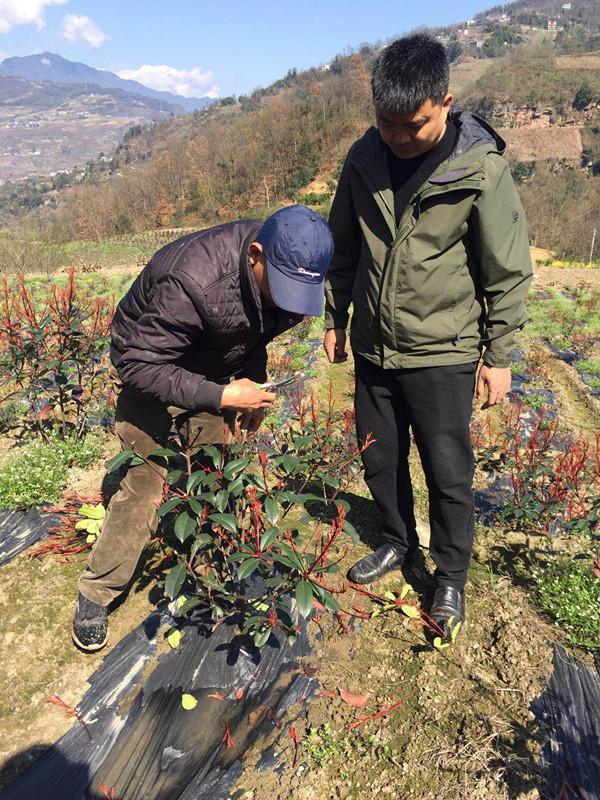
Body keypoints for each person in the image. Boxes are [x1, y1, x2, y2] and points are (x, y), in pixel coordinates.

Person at [323, 33, 532, 637]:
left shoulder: (479, 167)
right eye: (386, 122)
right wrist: (336, 319)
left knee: (447, 469)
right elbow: (342, 246)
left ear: (445, 101)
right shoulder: (363, 160)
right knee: (379, 456)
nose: (397, 136)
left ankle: (449, 576)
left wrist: (499, 354)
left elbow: (507, 267)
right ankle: (396, 540)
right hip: (374, 345)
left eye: (412, 124)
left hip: (444, 348)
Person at [73, 205, 334, 652]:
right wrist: (222, 396)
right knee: (145, 486)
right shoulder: (192, 280)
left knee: (217, 468)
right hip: (150, 365)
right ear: (255, 255)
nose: (287, 302)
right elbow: (137, 364)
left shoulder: (284, 278)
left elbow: (253, 333)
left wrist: (248, 384)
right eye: (282, 289)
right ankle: (96, 593)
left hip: (211, 365)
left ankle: (209, 560)